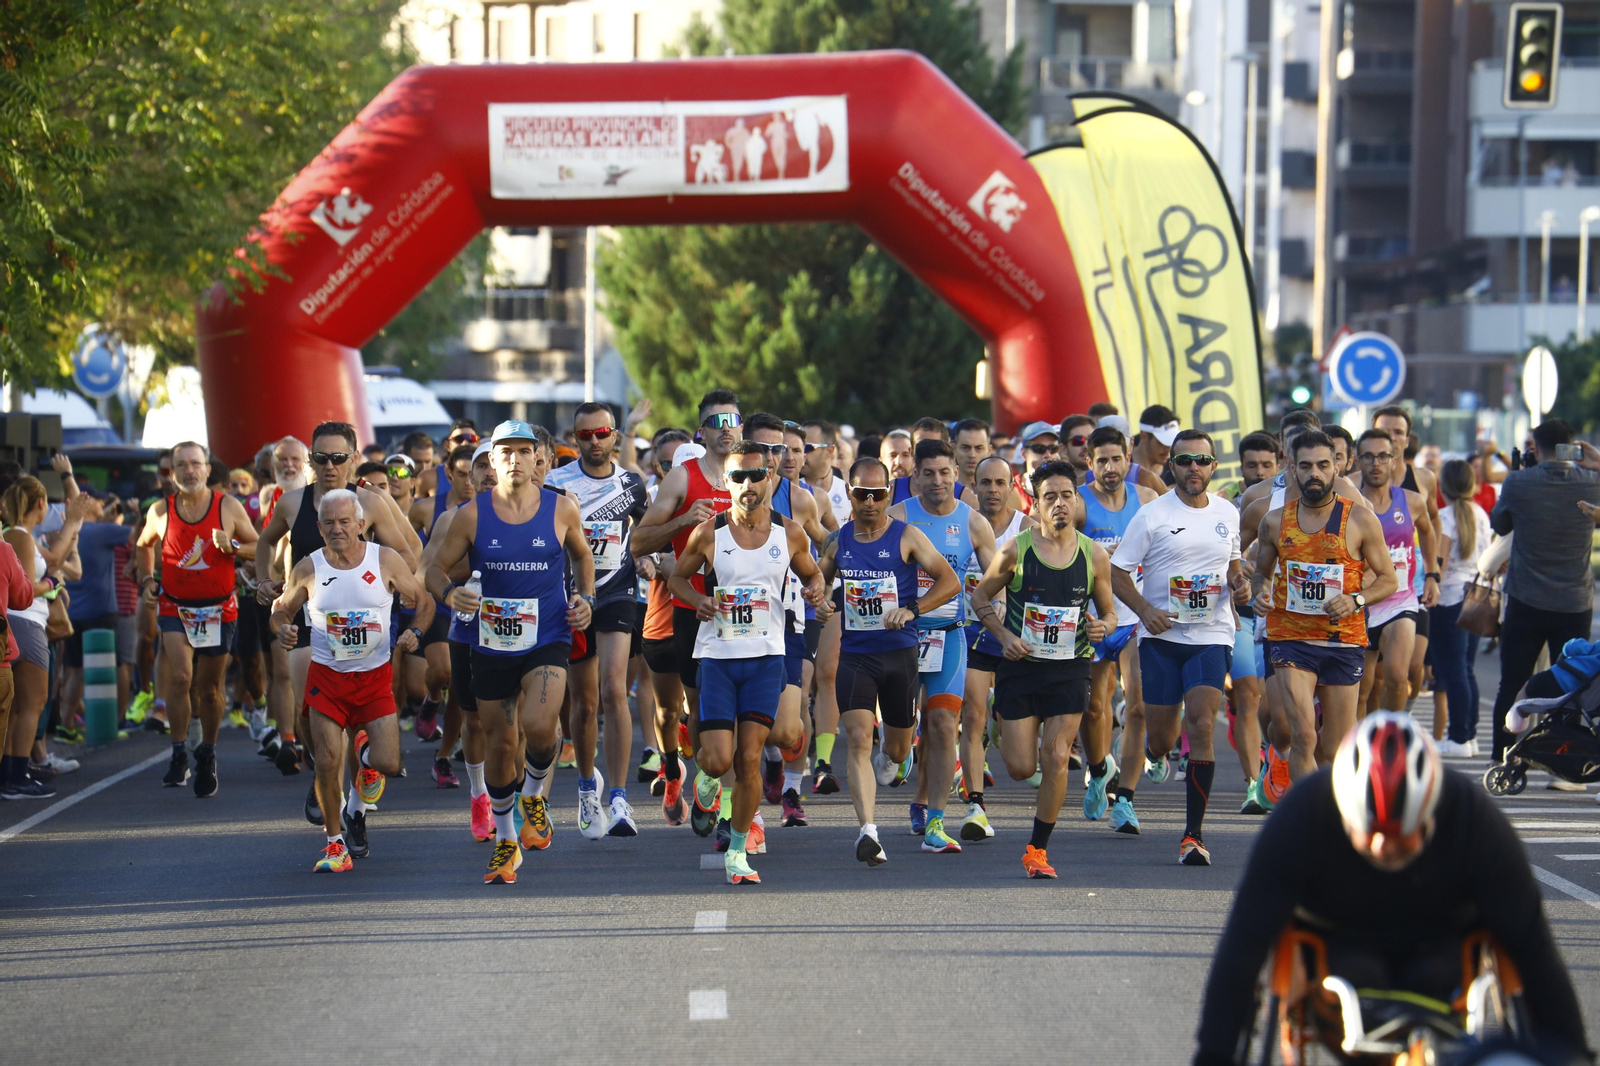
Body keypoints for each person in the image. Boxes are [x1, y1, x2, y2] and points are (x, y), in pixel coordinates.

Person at [1193, 713, 1591, 1066]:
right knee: (1342, 964)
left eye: (1402, 835)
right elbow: (1244, 944)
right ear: (1345, 814)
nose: (1385, 847)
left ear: (1431, 814)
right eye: (1371, 833)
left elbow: (1532, 947)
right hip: (1337, 958)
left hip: (1441, 954)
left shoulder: (1473, 820)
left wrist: (1573, 1054)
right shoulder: (1303, 815)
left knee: (1445, 969)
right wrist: (1214, 1055)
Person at [427, 420, 595, 884]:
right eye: (506, 453)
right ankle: (506, 840)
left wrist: (586, 598)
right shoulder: (471, 515)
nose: (515, 460)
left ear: (537, 457)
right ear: (492, 460)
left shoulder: (561, 508)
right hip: (492, 641)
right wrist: (450, 594)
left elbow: (583, 555)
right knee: (500, 745)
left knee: (540, 728)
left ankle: (534, 794)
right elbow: (435, 570)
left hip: (548, 635)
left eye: (524, 451)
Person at [670, 441, 825, 884]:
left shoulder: (789, 532)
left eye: (756, 475)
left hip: (766, 658)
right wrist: (697, 599)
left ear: (769, 478)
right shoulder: (709, 534)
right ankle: (705, 779)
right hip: (718, 658)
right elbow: (677, 577)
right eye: (738, 476)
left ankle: (738, 851)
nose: (748, 484)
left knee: (750, 757)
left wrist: (815, 588)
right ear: (726, 481)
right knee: (718, 760)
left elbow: (812, 572)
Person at [270, 489, 434, 871]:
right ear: (319, 528)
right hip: (327, 679)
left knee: (387, 763)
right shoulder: (308, 567)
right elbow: (282, 610)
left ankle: (363, 767)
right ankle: (334, 844)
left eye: (345, 522)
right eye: (329, 523)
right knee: (327, 761)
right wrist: (282, 628)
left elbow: (423, 600)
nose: (337, 529)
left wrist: (416, 632)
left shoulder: (384, 560)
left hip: (374, 679)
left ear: (361, 524)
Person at [1108, 429, 1248, 864]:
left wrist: (1239, 584)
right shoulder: (1152, 515)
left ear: (1214, 466)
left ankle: (1193, 836)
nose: (1193, 468)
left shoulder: (1227, 512)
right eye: (1185, 460)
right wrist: (1145, 610)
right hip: (1162, 638)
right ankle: (1152, 753)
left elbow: (1233, 564)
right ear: (1172, 466)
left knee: (1203, 724)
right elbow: (1117, 572)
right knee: (1162, 738)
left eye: (1202, 461)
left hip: (1211, 634)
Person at [970, 461, 1115, 878]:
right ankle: (1000, 718)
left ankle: (1038, 850)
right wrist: (1004, 637)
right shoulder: (1015, 550)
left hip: (1070, 667)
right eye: (1050, 496)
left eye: (1066, 495)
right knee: (1021, 768)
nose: (1059, 503)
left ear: (1077, 501)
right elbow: (980, 598)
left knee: (1055, 756)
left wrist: (1103, 627)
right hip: (1021, 667)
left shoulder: (1094, 554)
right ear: (1035, 504)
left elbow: (1110, 612)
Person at [815, 456, 960, 866]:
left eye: (877, 495)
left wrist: (913, 609)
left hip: (900, 655)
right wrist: (821, 603)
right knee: (859, 738)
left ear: (888, 494)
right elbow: (819, 583)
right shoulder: (837, 541)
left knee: (895, 751)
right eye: (862, 494)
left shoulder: (907, 536)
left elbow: (950, 582)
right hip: (857, 656)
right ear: (850, 493)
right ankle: (868, 832)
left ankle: (893, 755)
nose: (870, 503)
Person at [1252, 431, 1399, 785]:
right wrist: (1260, 593)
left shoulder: (1360, 519)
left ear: (1337, 467)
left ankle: (1333, 806)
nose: (1314, 473)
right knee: (1304, 735)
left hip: (1342, 641)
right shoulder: (1275, 521)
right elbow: (1261, 573)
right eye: (1305, 466)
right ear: (1292, 468)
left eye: (1322, 465)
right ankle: (1306, 813)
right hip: (1290, 638)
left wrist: (1355, 599)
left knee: (1335, 748)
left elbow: (1388, 580)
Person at [632, 391, 740, 835]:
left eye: (732, 420)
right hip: (691, 610)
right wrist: (683, 520)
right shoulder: (682, 477)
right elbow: (638, 542)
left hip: (744, 613)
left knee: (739, 716)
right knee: (695, 710)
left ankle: (728, 805)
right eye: (716, 422)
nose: (725, 429)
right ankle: (699, 775)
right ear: (702, 432)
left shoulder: (754, 474)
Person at [546, 401, 652, 837]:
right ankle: (588, 786)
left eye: (601, 433)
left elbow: (648, 529)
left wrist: (648, 556)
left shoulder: (631, 484)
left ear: (615, 437)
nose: (594, 441)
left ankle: (621, 799)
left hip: (617, 591)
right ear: (575, 439)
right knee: (585, 702)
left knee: (613, 689)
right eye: (585, 435)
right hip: (573, 597)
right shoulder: (555, 483)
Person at [136, 442, 260, 796]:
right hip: (175, 606)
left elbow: (258, 546)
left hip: (218, 608)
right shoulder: (161, 510)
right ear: (172, 472)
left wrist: (233, 547)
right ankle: (178, 753)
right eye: (182, 465)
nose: (189, 471)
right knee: (180, 677)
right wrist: (147, 580)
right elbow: (144, 545)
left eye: (195, 464)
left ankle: (207, 752)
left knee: (209, 689)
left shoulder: (228, 507)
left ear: (208, 469)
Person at [891, 439, 997, 849]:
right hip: (902, 637)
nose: (938, 481)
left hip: (949, 634)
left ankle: (935, 820)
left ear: (956, 472)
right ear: (915, 476)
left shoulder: (974, 523)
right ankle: (895, 751)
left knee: (943, 725)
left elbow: (997, 579)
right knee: (902, 734)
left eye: (944, 472)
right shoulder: (898, 516)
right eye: (929, 473)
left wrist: (999, 610)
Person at [1488, 419, 1600, 763]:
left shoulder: (1519, 481)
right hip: (1574, 601)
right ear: (1572, 446)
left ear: (1535, 447)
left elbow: (1500, 524)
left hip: (1526, 599)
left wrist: (1518, 479)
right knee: (1573, 684)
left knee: (1513, 680)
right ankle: (1567, 763)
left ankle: (1503, 755)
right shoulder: (1592, 482)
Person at [1081, 426, 1156, 821]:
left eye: (1116, 459)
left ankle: (1125, 799)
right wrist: (1094, 555)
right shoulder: (1077, 502)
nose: (1110, 468)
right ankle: (1099, 772)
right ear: (1089, 463)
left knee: (1138, 706)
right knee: (1093, 709)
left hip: (1133, 619)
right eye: (1102, 461)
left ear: (1128, 459)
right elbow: (1053, 546)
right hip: (1092, 620)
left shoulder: (1146, 499)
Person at [957, 455, 1030, 840]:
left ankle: (1000, 722)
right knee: (972, 713)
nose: (993, 490)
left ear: (1012, 486)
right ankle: (976, 805)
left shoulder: (1026, 529)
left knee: (1020, 757)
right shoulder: (962, 524)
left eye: (1000, 483)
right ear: (974, 486)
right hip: (971, 633)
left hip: (1013, 639)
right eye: (985, 483)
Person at [1352, 428, 1439, 715]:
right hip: (1359, 604)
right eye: (1368, 457)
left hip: (1400, 601)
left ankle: (1392, 734)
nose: (1375, 463)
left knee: (1398, 676)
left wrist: (1432, 574)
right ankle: (1362, 740)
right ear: (1358, 460)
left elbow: (1427, 531)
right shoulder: (1349, 503)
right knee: (1361, 691)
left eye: (1382, 456)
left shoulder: (1412, 501)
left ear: (1393, 459)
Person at [1433, 458, 1493, 757]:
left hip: (1449, 599)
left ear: (1443, 486)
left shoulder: (1445, 517)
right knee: (1466, 670)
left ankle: (1457, 738)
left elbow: (1439, 564)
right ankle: (1469, 736)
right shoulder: (1480, 514)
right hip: (1475, 599)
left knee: (1453, 671)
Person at [1010, 421, 1059, 514]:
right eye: (1039, 449)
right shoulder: (1011, 488)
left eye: (1053, 448)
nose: (1048, 454)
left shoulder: (1069, 486)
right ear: (1023, 453)